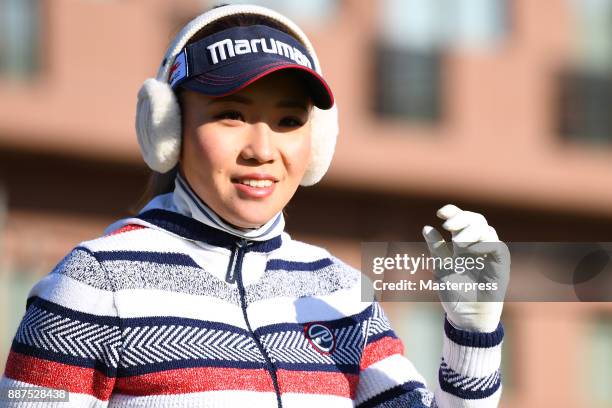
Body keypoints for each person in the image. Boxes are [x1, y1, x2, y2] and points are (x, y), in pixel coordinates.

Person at [0, 4, 510, 407]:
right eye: (231, 115)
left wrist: (472, 333)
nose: (262, 150)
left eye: (288, 121)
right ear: (166, 126)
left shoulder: (342, 293)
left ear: (320, 141)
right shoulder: (89, 284)